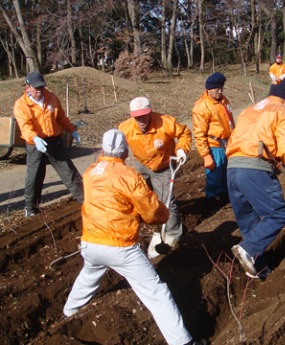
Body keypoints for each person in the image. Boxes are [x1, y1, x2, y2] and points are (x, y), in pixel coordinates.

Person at [63, 129, 198, 345]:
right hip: (120, 247)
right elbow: (151, 211)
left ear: (102, 149)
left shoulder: (90, 171)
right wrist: (162, 216)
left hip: (89, 242)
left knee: (88, 277)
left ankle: (68, 314)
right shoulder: (128, 174)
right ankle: (183, 342)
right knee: (156, 292)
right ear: (125, 152)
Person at [226, 76, 285, 278]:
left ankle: (258, 268)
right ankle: (248, 249)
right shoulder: (281, 111)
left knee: (249, 222)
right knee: (277, 214)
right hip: (254, 168)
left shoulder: (249, 110)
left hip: (232, 168)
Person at [118, 97, 191, 257]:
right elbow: (118, 147)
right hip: (142, 164)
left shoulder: (165, 123)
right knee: (135, 195)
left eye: (144, 115)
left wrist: (181, 149)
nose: (141, 120)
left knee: (166, 201)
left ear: (150, 112)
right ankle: (138, 223)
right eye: (137, 117)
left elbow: (185, 133)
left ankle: (173, 232)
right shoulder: (125, 128)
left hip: (163, 165)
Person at [14, 72, 84, 217]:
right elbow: (25, 126)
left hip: (54, 141)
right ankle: (31, 209)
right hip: (35, 143)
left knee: (69, 172)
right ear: (28, 87)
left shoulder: (52, 98)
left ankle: (86, 201)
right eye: (36, 88)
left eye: (42, 87)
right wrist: (35, 138)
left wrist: (72, 130)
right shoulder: (21, 105)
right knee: (34, 176)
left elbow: (61, 118)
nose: (40, 91)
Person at [192, 72, 235, 207]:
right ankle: (213, 205)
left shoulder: (224, 100)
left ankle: (226, 200)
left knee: (227, 175)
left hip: (228, 143)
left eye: (221, 88)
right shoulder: (202, 107)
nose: (219, 91)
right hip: (214, 147)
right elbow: (199, 134)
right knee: (214, 178)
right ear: (208, 89)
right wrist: (206, 155)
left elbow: (230, 122)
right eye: (216, 88)